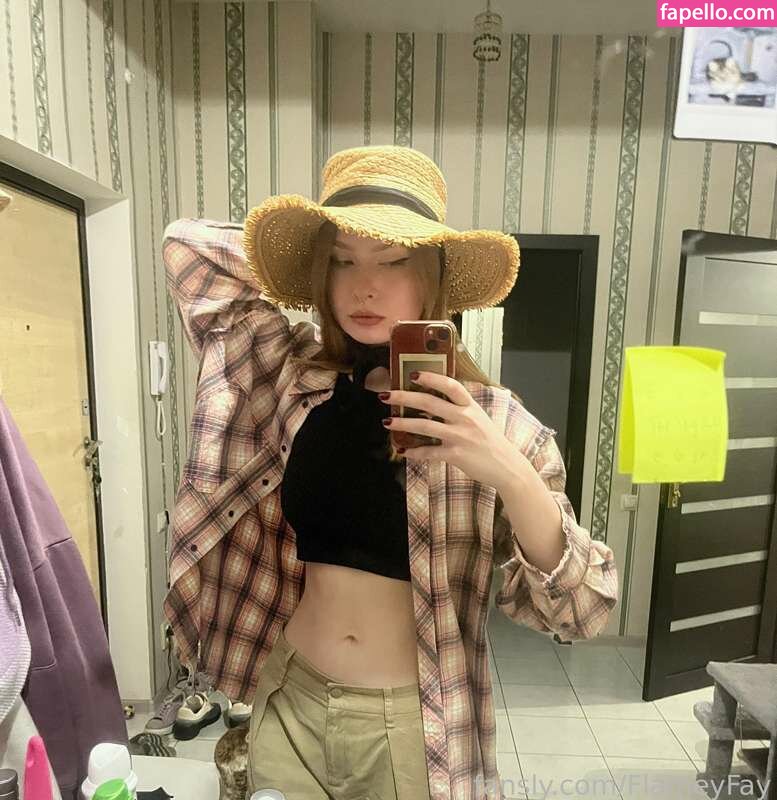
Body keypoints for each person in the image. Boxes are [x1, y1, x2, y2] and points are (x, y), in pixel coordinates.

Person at [162, 145, 619, 800]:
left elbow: (582, 610)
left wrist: (509, 472)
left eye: (393, 259)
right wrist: (304, 258)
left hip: (413, 724)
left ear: (433, 277)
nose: (363, 286)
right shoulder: (297, 380)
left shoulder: (497, 422)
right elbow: (187, 249)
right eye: (342, 262)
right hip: (290, 699)